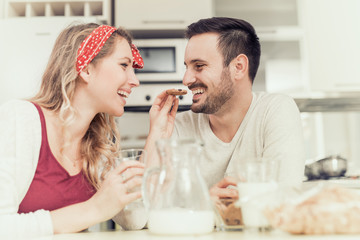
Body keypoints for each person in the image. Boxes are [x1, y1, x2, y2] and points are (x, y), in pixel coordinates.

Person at [0, 22, 177, 238]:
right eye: (124, 65)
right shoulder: (19, 120)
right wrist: (94, 209)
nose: (135, 81)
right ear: (85, 69)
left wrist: (156, 135)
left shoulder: (97, 146)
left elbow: (135, 219)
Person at [171, 17, 305, 199]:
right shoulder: (179, 126)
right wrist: (156, 132)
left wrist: (194, 205)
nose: (186, 79)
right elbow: (136, 219)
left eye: (199, 66)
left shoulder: (275, 110)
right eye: (187, 67)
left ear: (238, 67)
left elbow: (284, 199)